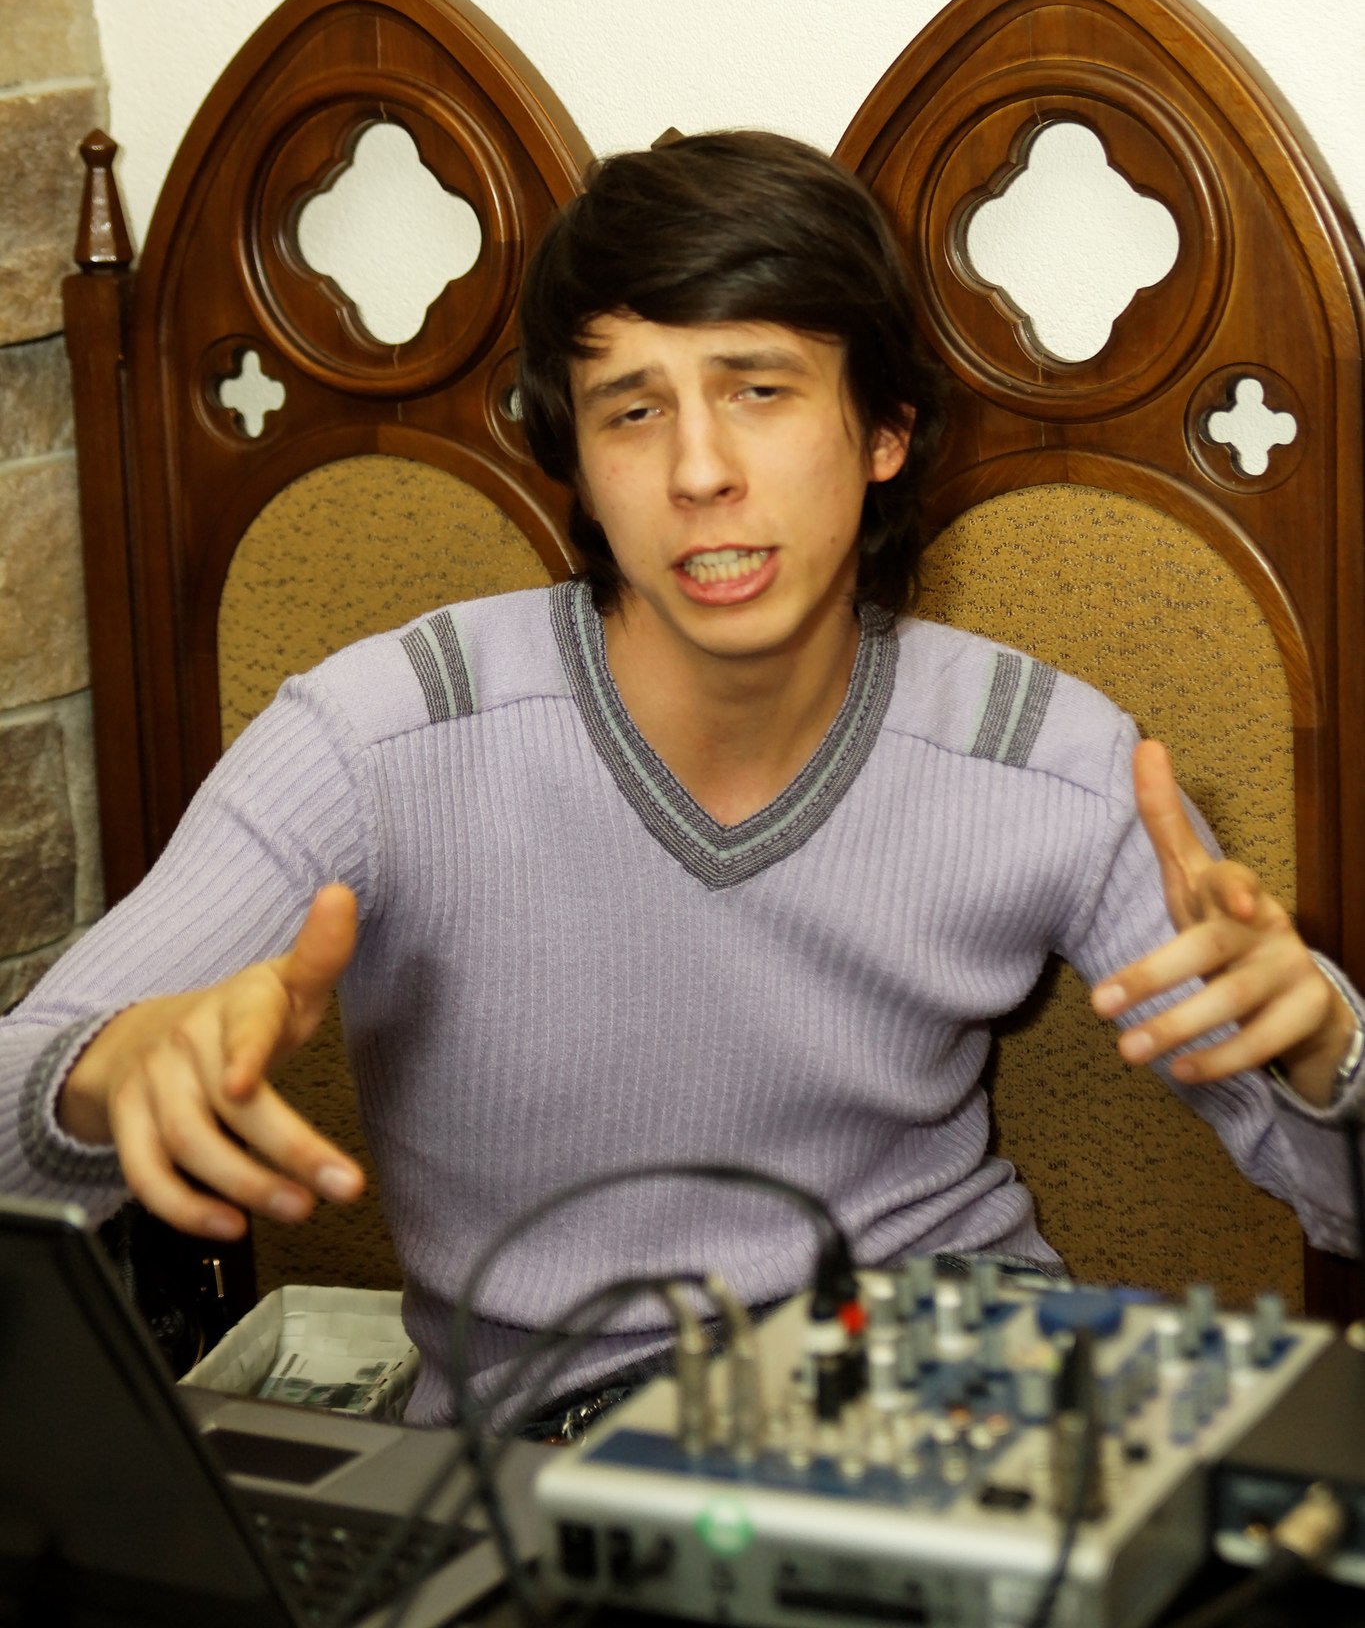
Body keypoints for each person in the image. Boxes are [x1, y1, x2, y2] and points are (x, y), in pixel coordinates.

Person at [1, 131, 1360, 1428]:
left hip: (949, 1398)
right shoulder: (379, 737)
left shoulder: (1047, 754)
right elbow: (21, 1102)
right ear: (581, 467)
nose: (699, 471)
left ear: (884, 431)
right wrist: (102, 1079)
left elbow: (1339, 1202)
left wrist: (1323, 1054)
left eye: (759, 391)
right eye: (632, 410)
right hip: (553, 1457)